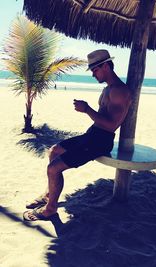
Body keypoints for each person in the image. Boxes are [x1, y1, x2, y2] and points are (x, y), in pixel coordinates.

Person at [23, 49, 132, 221]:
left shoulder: (119, 91)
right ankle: (49, 195)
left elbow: (111, 125)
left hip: (100, 141)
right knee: (54, 151)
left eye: (95, 70)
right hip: (92, 134)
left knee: (53, 168)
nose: (93, 75)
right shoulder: (108, 89)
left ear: (105, 66)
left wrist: (87, 109)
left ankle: (50, 209)